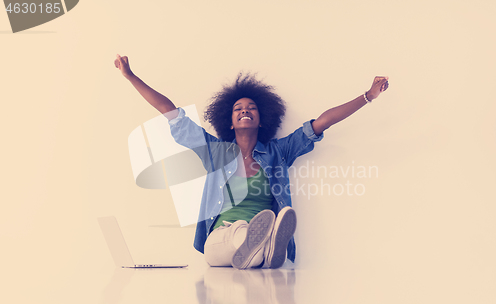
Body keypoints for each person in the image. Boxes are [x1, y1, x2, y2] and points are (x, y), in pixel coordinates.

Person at [114, 54, 388, 269]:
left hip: (252, 245)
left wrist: (368, 96)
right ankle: (265, 246)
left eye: (251, 108)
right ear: (230, 122)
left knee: (250, 251)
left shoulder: (278, 152)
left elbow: (322, 122)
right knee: (238, 237)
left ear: (261, 118)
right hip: (220, 240)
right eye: (238, 109)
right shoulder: (214, 151)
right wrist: (130, 76)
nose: (245, 110)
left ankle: (262, 248)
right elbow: (169, 111)